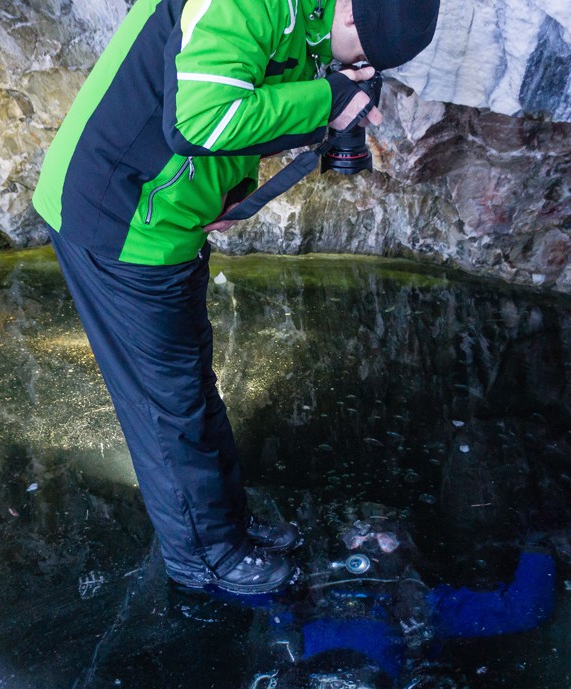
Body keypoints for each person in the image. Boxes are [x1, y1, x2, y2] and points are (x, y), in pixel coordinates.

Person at [30, 0, 440, 596]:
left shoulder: (309, 15)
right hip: (116, 219)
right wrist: (325, 101)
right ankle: (205, 558)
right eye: (358, 60)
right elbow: (199, 121)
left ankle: (226, 526)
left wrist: (240, 188)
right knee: (167, 406)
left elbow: (250, 87)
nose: (348, 70)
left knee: (191, 386)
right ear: (350, 14)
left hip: (167, 218)